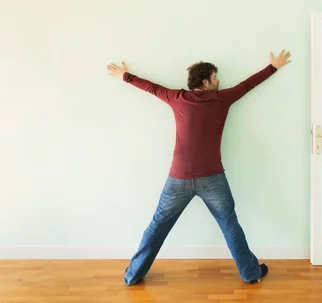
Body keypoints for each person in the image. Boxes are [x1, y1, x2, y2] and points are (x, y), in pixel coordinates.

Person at [106, 50, 292, 286]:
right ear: (205, 81)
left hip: (178, 178)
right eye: (215, 77)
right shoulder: (222, 99)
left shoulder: (176, 98)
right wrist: (272, 67)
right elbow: (247, 85)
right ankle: (250, 273)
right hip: (211, 179)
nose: (218, 81)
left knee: (157, 227)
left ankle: (132, 275)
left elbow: (152, 88)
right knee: (230, 225)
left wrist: (126, 76)